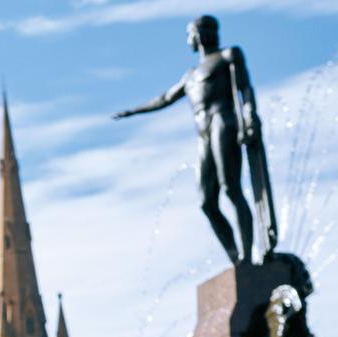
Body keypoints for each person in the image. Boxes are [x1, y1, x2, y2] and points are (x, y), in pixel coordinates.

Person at [113, 15, 271, 265]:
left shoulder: (229, 56)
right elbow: (164, 98)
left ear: (199, 34)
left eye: (190, 33)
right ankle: (236, 260)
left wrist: (250, 116)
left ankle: (248, 258)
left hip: (223, 122)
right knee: (206, 202)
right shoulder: (191, 75)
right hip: (204, 132)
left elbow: (245, 89)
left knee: (231, 189)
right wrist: (133, 111)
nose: (189, 39)